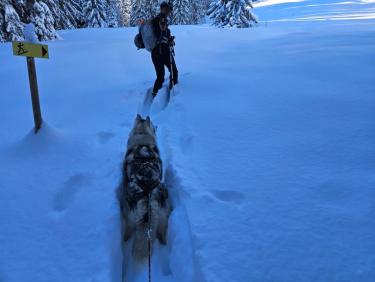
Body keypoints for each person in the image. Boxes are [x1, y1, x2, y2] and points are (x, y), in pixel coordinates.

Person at [151, 2, 178, 97]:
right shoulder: (160, 20)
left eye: (169, 10)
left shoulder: (160, 19)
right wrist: (168, 40)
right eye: (167, 10)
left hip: (156, 53)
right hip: (161, 52)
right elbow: (160, 36)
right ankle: (173, 93)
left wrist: (170, 39)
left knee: (160, 77)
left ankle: (154, 95)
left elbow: (164, 34)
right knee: (173, 72)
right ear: (162, 9)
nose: (168, 12)